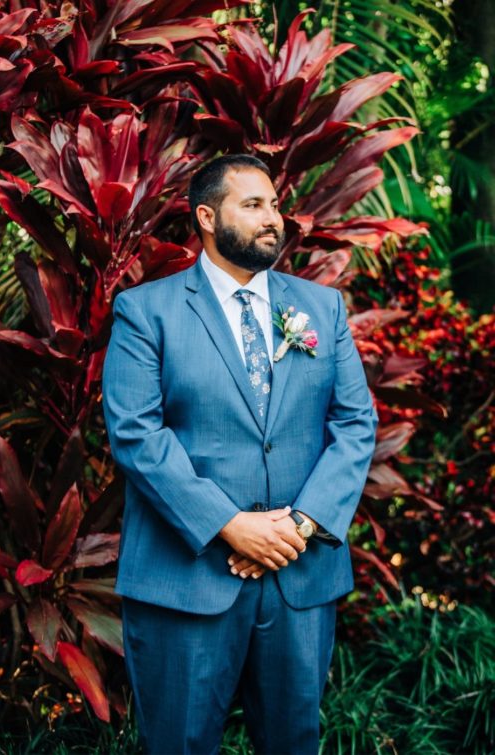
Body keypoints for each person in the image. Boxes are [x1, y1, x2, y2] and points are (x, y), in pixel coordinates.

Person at [102, 155, 378, 754]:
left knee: (294, 743)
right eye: (252, 205)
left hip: (298, 580)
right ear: (206, 216)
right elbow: (135, 434)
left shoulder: (320, 310)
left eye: (274, 204)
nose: (271, 218)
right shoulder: (147, 311)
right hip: (187, 579)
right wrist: (231, 526)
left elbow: (356, 426)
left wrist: (297, 527)